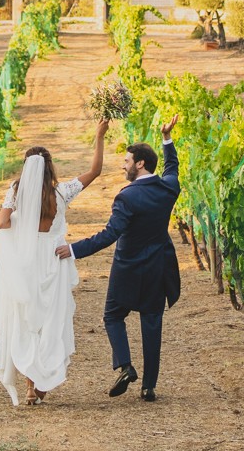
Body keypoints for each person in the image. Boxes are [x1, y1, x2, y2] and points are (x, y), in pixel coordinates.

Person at [57, 116, 181, 402]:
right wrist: (167, 139)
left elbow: (110, 234)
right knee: (152, 322)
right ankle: (149, 386)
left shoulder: (127, 197)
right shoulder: (169, 188)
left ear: (140, 164)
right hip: (157, 266)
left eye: (126, 161)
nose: (123, 166)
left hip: (127, 267)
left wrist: (73, 249)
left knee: (113, 316)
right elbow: (172, 168)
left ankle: (126, 366)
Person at [0, 119, 107, 405]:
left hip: (27, 262)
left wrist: (21, 232)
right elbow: (95, 171)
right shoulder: (62, 192)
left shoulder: (16, 191)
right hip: (54, 261)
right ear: (50, 167)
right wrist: (99, 135)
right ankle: (42, 382)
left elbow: (2, 223)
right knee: (51, 321)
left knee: (28, 320)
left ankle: (31, 387)